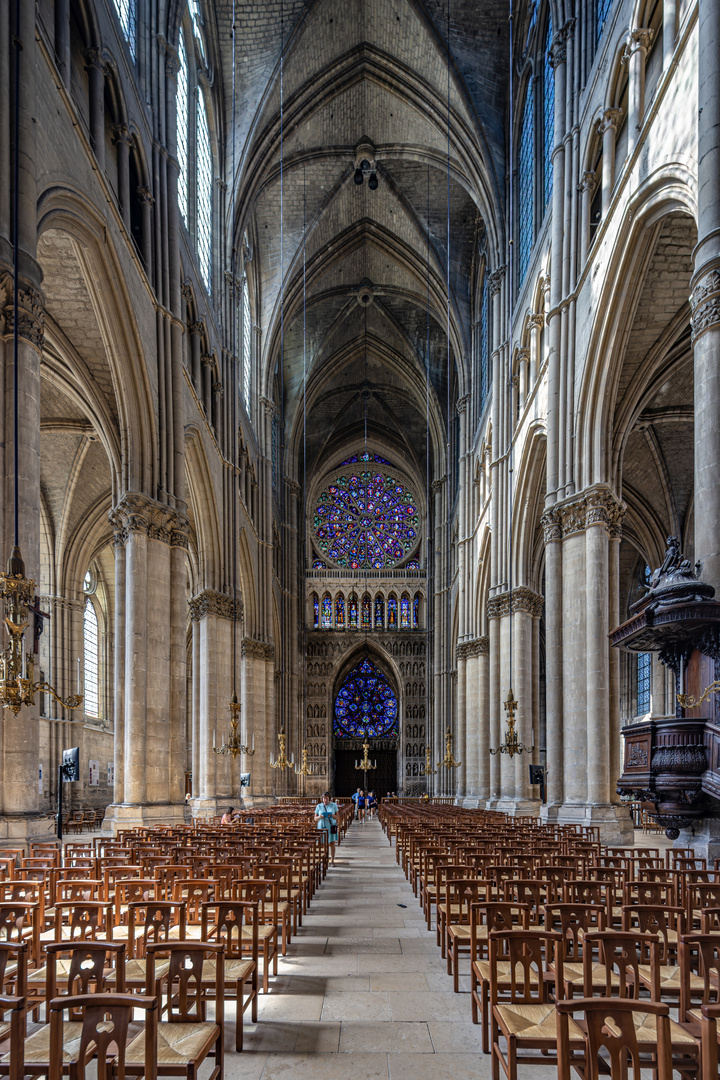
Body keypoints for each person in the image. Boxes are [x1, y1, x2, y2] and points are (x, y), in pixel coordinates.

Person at [314, 791, 339, 864]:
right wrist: (320, 816)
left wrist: (331, 815)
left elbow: (337, 817)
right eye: (324, 798)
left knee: (332, 843)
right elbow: (315, 818)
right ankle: (325, 859)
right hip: (322, 826)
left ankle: (332, 860)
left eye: (326, 798)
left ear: (330, 799)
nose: (325, 800)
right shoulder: (319, 806)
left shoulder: (334, 805)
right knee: (323, 844)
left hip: (331, 826)